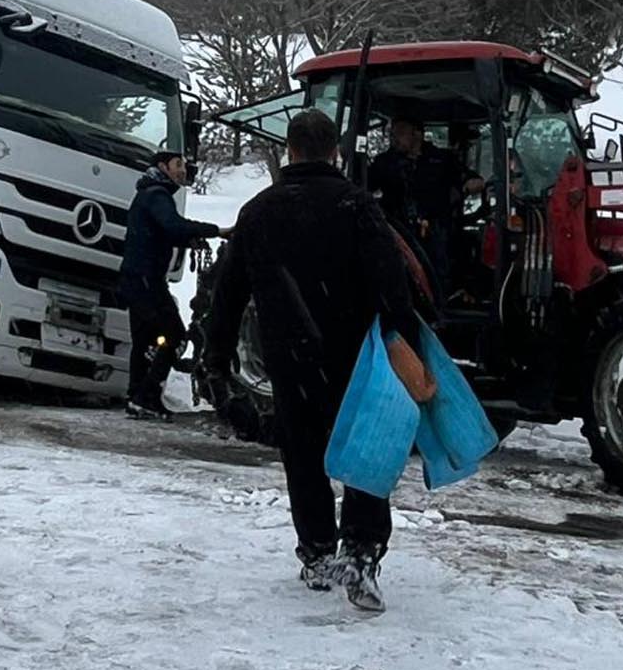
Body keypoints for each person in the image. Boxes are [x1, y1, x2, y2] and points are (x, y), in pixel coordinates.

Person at [203, 109, 420, 613]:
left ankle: (319, 551)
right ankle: (362, 552)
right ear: (335, 152)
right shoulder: (358, 207)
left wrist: (216, 358)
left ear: (290, 150)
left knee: (302, 454)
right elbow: (394, 290)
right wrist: (406, 347)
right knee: (365, 449)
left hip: (290, 358)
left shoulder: (258, 212)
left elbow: (228, 296)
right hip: (354, 359)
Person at [117, 150, 223, 420]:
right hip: (147, 280)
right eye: (178, 165)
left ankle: (136, 397)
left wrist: (187, 241)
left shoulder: (148, 194)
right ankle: (147, 395)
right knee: (173, 334)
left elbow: (159, 233)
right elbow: (172, 226)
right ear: (163, 167)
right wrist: (216, 231)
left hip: (134, 278)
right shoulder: (157, 195)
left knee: (143, 340)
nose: (183, 169)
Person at [367, 116, 483, 304]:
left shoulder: (441, 159)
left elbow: (471, 179)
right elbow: (364, 186)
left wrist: (470, 184)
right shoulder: (385, 162)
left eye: (400, 133)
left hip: (435, 228)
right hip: (397, 228)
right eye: (392, 133)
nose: (394, 138)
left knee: (438, 268)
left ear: (418, 134)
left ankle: (439, 307)